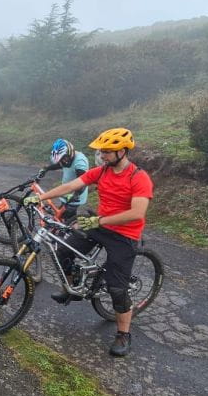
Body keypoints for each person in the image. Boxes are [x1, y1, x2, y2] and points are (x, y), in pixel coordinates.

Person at [24, 128, 153, 357]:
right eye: (102, 152)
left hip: (125, 235)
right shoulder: (102, 172)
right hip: (99, 224)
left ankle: (124, 333)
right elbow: (72, 185)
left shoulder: (138, 178)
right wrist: (40, 196)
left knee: (117, 288)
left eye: (107, 152)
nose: (102, 156)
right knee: (63, 248)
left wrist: (99, 220)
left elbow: (137, 213)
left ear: (122, 152)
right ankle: (73, 289)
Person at [41, 138, 89, 223]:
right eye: (60, 160)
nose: (63, 162)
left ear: (69, 154)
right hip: (67, 193)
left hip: (76, 195)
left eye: (63, 159)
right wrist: (46, 168)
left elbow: (83, 182)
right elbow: (60, 165)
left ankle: (70, 234)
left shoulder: (80, 162)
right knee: (61, 218)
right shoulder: (66, 158)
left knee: (66, 220)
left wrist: (75, 195)